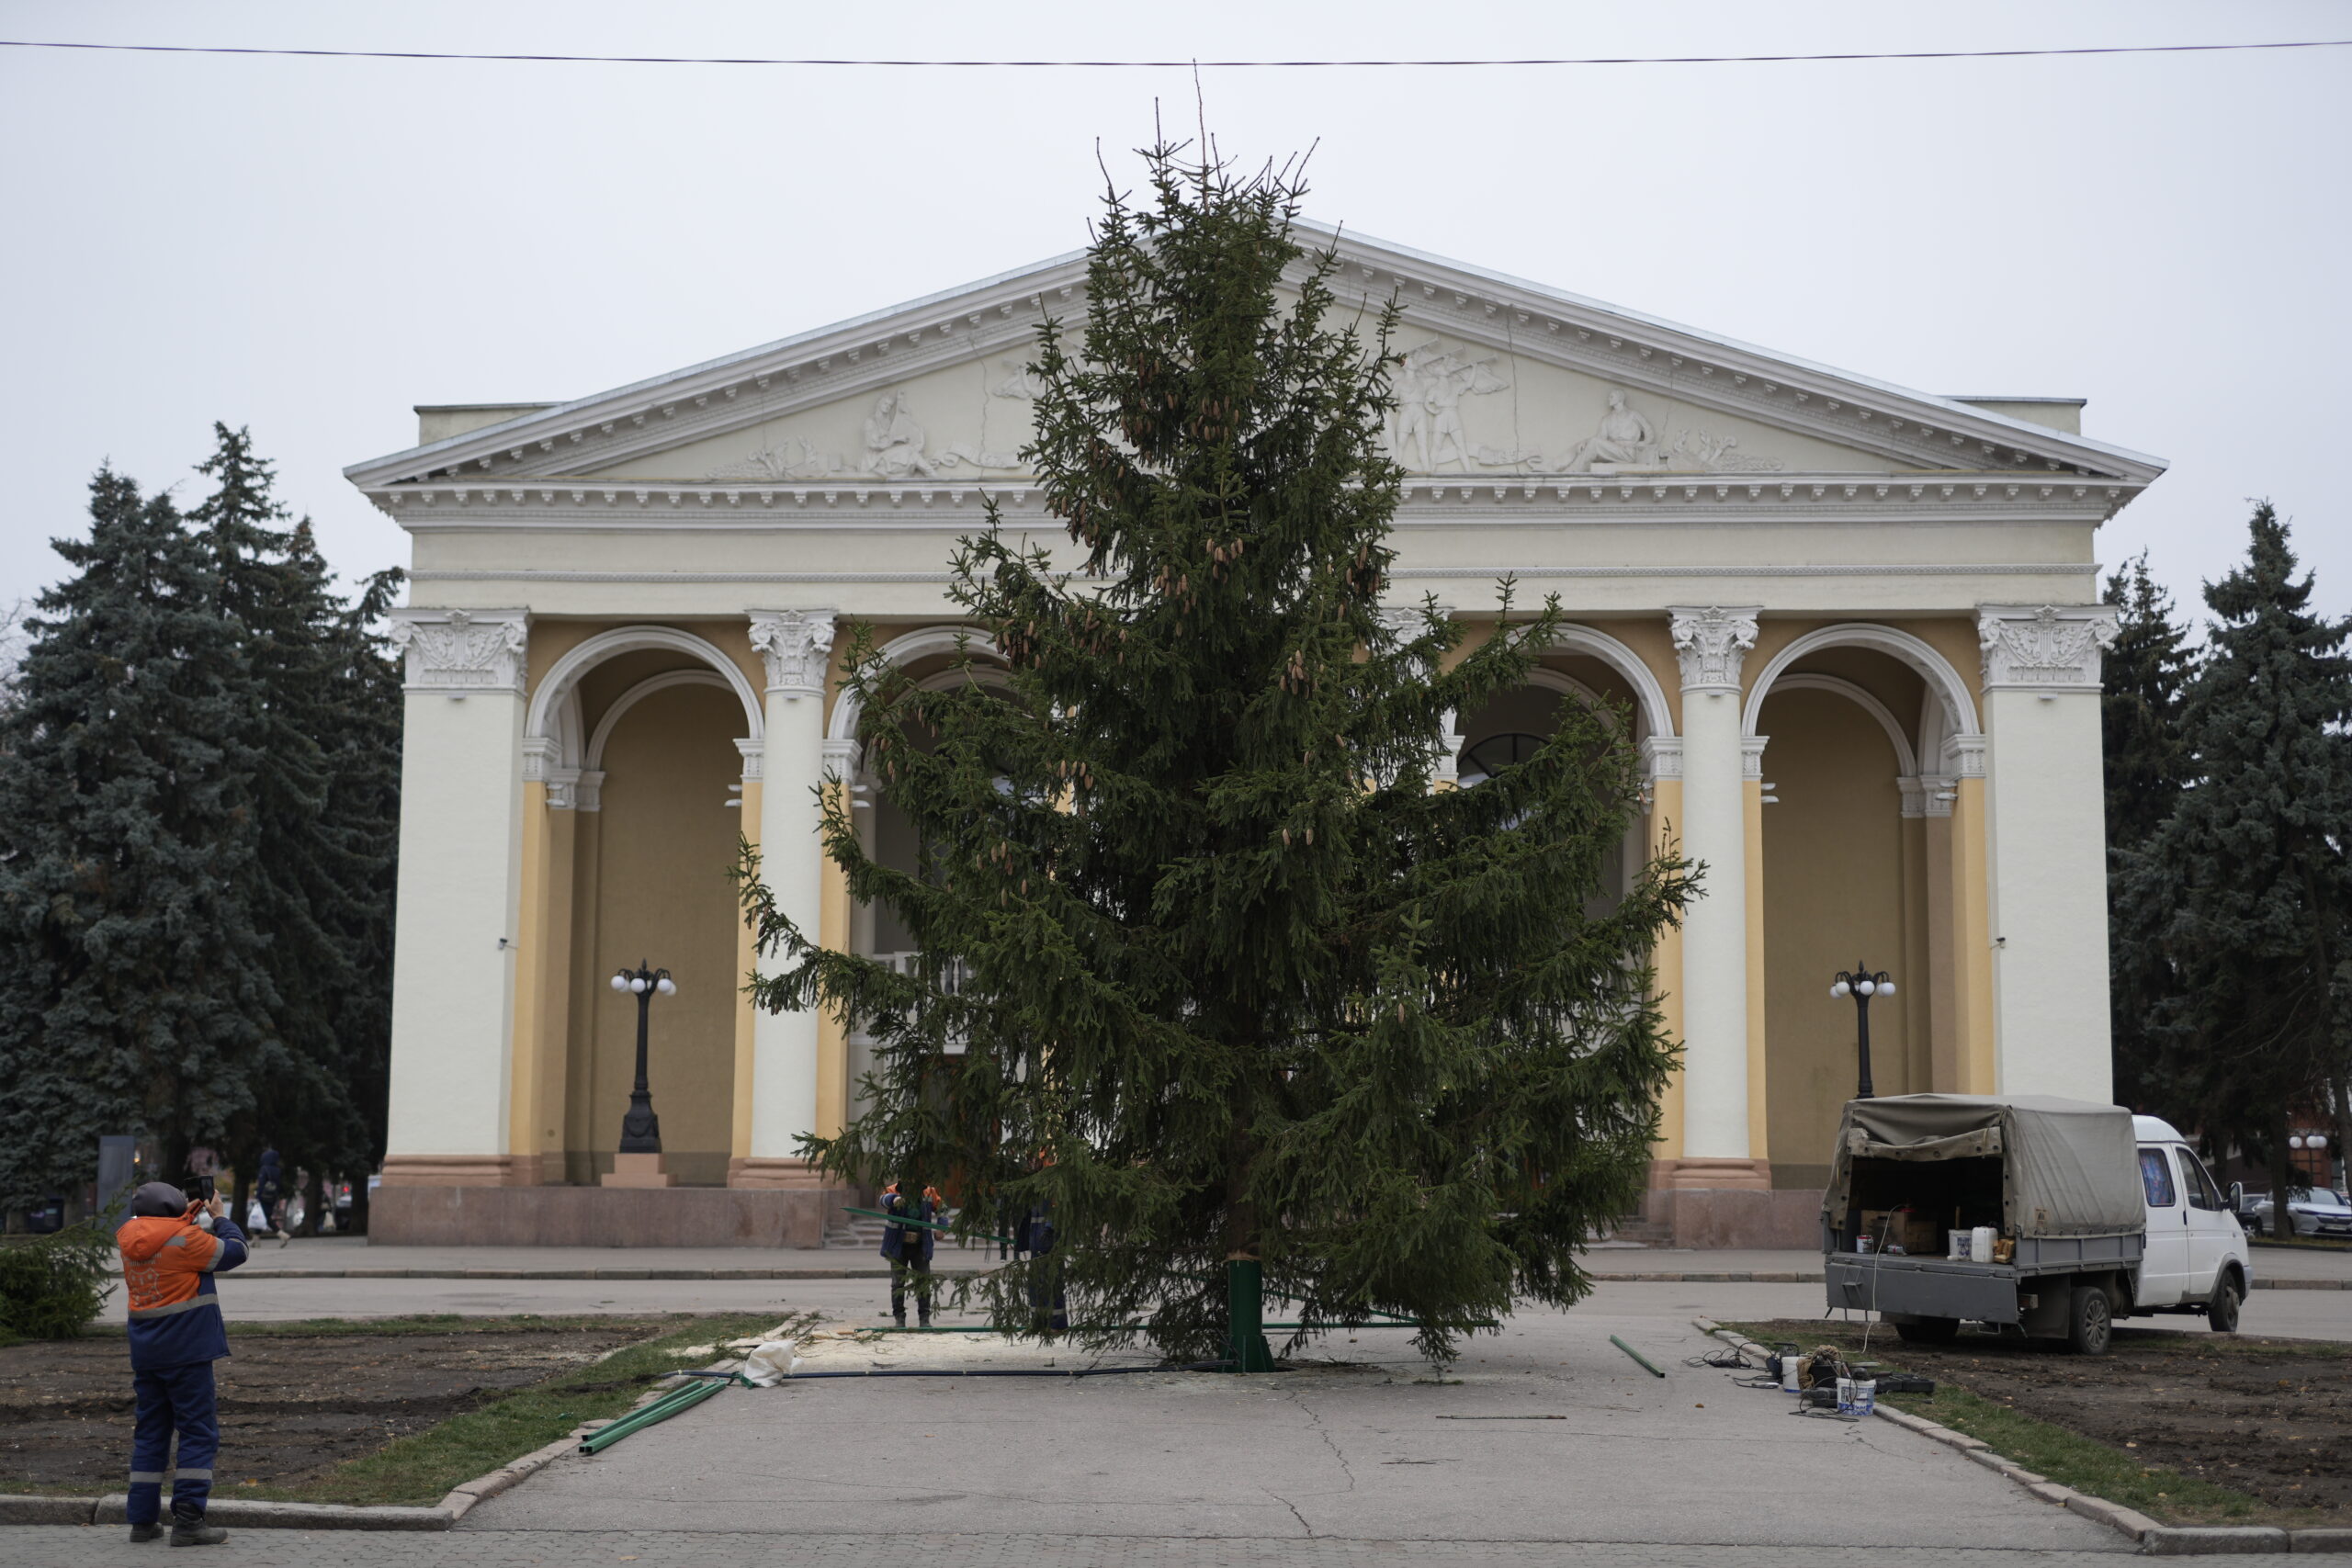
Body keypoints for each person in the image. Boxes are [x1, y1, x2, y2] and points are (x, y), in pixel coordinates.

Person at [117, 1179, 249, 1546]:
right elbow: (235, 1252)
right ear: (174, 1211)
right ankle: (189, 1521)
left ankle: (142, 1522)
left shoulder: (128, 1237)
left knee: (151, 1434)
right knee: (196, 1432)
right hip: (187, 1352)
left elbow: (163, 1233)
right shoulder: (188, 1241)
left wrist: (188, 1213)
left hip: (147, 1354)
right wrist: (220, 1217)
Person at [878, 1179, 940, 1327]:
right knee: (898, 1283)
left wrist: (941, 1227)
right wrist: (895, 1200)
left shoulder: (928, 1192)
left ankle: (924, 1319)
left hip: (921, 1245)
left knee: (923, 1282)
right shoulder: (893, 1190)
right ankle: (899, 1318)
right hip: (898, 1245)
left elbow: (942, 1208)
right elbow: (883, 1200)